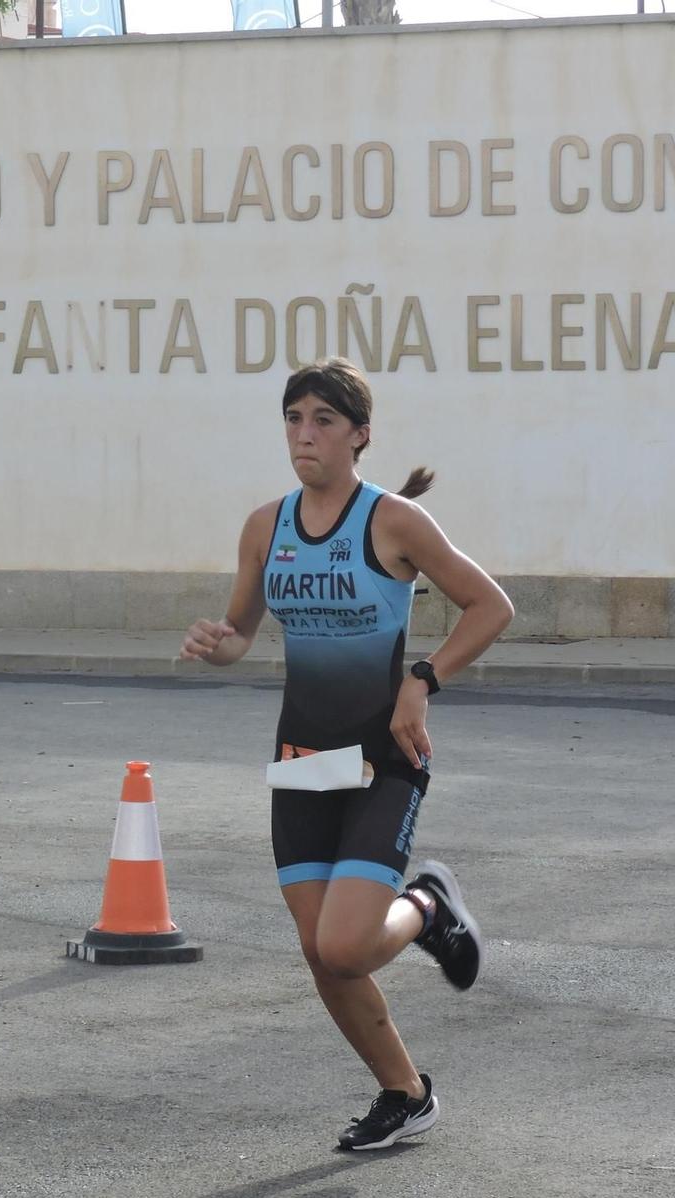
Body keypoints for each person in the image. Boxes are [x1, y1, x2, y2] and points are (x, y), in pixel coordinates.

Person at [180, 357, 514, 1151]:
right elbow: (242, 635)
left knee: (345, 942)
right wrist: (217, 643)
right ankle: (404, 1093)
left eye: (324, 420)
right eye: (294, 418)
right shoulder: (267, 526)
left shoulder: (391, 521)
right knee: (319, 953)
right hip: (303, 757)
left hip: (382, 755)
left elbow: (491, 606)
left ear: (359, 435)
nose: (305, 434)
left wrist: (422, 680)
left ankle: (428, 906)